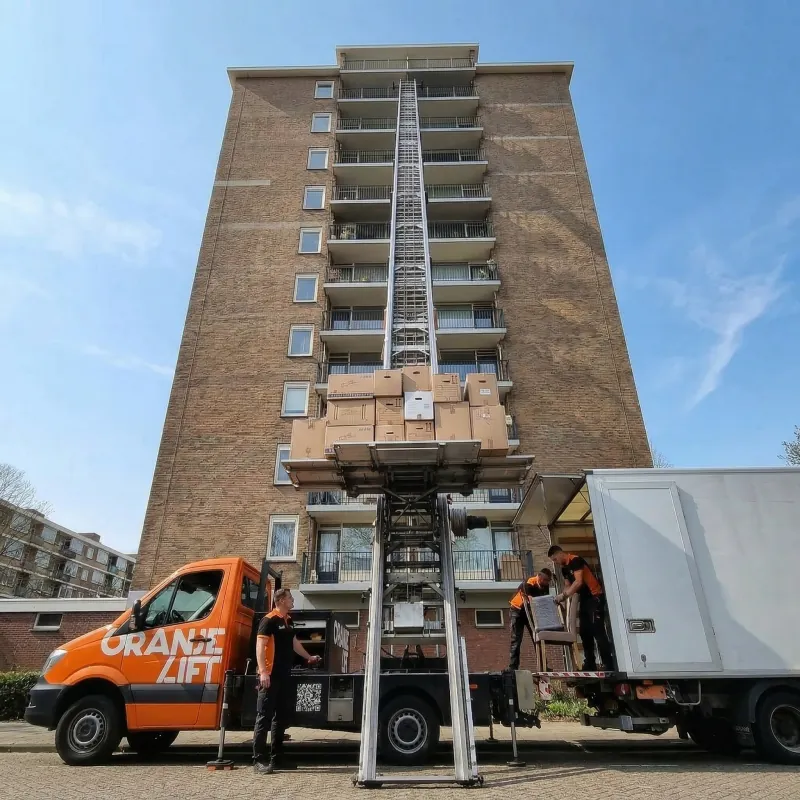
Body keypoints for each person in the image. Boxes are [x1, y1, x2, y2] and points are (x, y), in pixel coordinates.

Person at [253, 588, 321, 774]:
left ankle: (277, 759)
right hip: (270, 676)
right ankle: (258, 761)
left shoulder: (288, 621)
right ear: (281, 600)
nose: (292, 601)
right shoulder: (269, 620)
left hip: (285, 675)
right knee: (264, 718)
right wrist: (263, 672)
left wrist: (308, 657)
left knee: (280, 719)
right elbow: (260, 647)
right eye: (290, 598)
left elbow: (294, 643)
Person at [548, 545, 614, 671]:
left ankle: (608, 663)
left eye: (555, 559)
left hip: (595, 597)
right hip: (584, 600)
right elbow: (567, 586)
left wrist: (564, 595)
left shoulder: (575, 560)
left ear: (560, 553)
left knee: (597, 630)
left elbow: (578, 582)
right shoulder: (564, 569)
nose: (555, 563)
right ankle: (590, 663)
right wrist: (562, 598)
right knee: (584, 632)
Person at [508, 569, 553, 670]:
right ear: (539, 577)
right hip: (518, 611)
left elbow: (544, 601)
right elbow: (530, 602)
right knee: (516, 640)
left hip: (530, 611)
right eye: (545, 580)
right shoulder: (528, 583)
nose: (546, 583)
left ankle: (543, 666)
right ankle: (513, 667)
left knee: (538, 638)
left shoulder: (545, 586)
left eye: (548, 581)